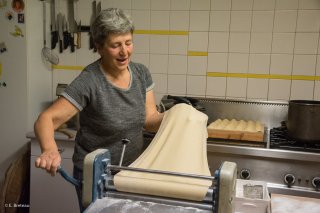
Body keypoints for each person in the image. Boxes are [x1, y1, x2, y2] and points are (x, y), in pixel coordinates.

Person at [34, 8, 164, 211]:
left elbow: (150, 119)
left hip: (130, 173)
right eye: (115, 45)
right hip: (95, 175)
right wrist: (49, 149)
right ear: (100, 47)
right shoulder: (90, 80)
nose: (124, 51)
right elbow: (46, 119)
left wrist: (177, 117)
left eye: (128, 43)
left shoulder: (141, 73)